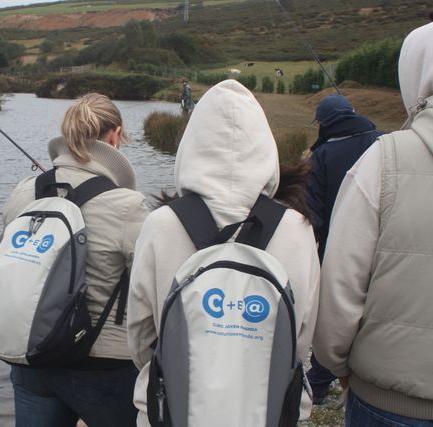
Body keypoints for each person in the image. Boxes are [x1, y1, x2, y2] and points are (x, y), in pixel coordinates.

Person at [127, 79, 321, 426]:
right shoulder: (297, 229)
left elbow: (141, 337)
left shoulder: (161, 225)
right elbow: (301, 338)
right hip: (270, 413)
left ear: (192, 147)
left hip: (173, 411)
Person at [2, 93, 150, 427]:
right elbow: (150, 285)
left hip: (32, 358)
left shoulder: (24, 192)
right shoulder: (130, 206)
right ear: (115, 135)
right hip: (104, 369)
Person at [313, 22, 433, 425]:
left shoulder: (385, 159)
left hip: (389, 404)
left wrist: (336, 364)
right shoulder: (378, 146)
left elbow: (340, 286)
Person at [305, 94, 383, 404]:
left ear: (324, 123)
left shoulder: (322, 155)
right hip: (382, 244)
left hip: (338, 248)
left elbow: (314, 214)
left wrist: (313, 255)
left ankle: (321, 381)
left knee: (335, 312)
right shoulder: (385, 142)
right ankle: (365, 372)